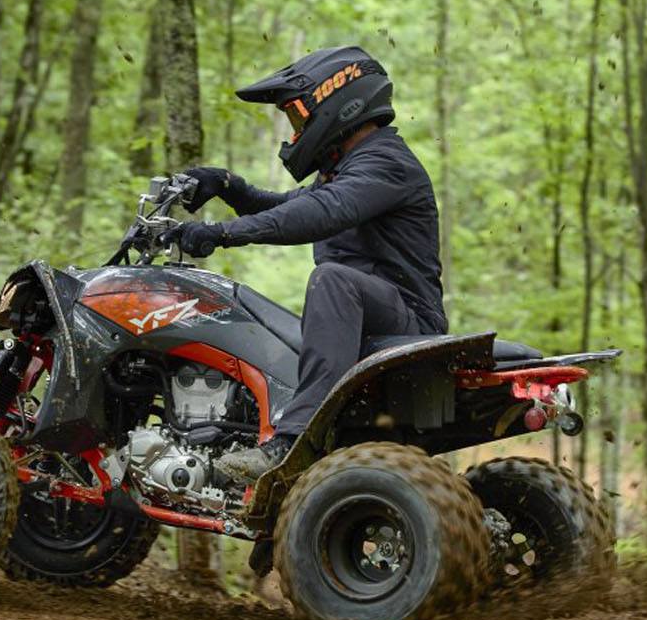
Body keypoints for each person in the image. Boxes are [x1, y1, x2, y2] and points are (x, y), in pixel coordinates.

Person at [163, 45, 446, 484]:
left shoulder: (385, 161)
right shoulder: (350, 168)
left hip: (410, 323)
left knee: (332, 280)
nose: (296, 132)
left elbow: (319, 213)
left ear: (339, 102)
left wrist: (221, 233)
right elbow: (283, 206)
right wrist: (227, 185)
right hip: (375, 319)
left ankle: (292, 442)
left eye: (298, 117)